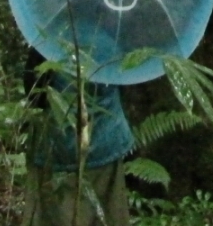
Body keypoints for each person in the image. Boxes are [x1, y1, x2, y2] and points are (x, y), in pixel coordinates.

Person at [23, 47, 133, 226]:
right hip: (106, 141)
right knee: (107, 215)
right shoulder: (112, 40)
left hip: (57, 144)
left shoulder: (50, 42)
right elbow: (124, 81)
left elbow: (35, 94)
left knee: (55, 215)